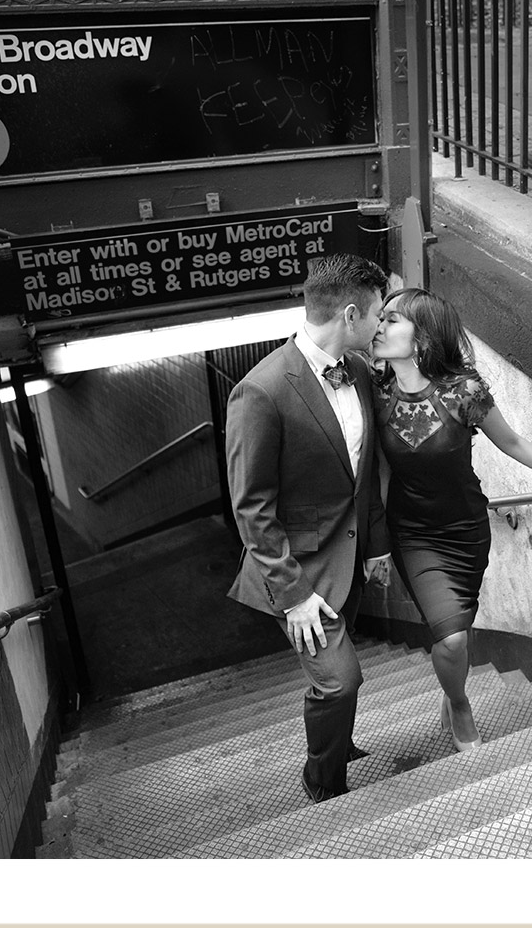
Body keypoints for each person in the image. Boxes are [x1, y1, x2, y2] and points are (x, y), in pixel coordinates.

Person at [369, 287, 532, 751]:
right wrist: (376, 541)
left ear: (422, 336)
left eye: (391, 319)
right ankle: (460, 707)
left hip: (466, 531)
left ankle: (450, 691)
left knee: (455, 628)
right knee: (454, 639)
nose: (378, 327)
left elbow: (513, 443)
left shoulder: (465, 393)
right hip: (412, 534)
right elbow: (377, 473)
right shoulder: (375, 393)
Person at [225, 253, 393, 803]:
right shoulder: (261, 391)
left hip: (348, 556)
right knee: (339, 680)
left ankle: (339, 744)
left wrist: (375, 545)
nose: (382, 324)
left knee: (347, 680)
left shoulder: (362, 372)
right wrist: (294, 596)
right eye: (377, 314)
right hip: (297, 571)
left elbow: (362, 472)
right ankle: (323, 782)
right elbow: (252, 507)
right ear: (350, 315)